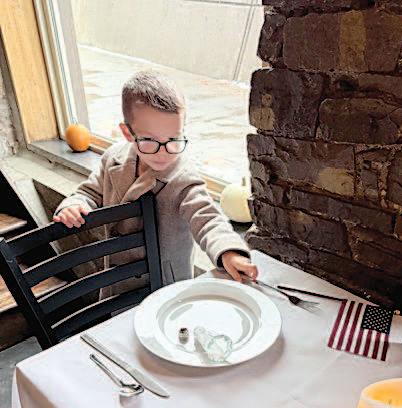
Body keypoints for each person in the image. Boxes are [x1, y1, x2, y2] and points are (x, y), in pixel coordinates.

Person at [53, 69, 258, 291]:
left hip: (164, 286)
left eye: (174, 139)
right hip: (116, 283)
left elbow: (207, 218)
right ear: (128, 133)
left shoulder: (182, 178)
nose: (163, 152)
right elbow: (89, 192)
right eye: (149, 140)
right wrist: (75, 204)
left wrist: (229, 251)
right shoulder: (112, 159)